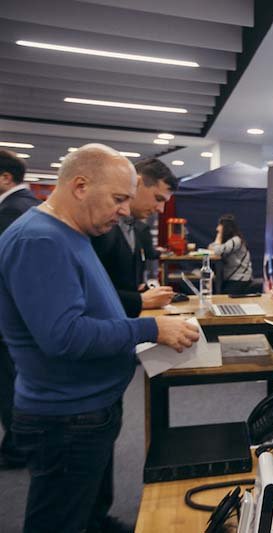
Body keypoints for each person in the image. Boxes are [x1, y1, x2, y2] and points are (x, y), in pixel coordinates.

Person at [0, 144, 200, 533]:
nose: (125, 210)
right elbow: (65, 336)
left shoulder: (71, 232)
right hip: (66, 415)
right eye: (118, 199)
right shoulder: (40, 240)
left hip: (83, 408)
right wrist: (151, 328)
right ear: (80, 186)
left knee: (85, 512)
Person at [92, 158, 177, 318]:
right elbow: (90, 292)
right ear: (137, 184)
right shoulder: (101, 227)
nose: (161, 209)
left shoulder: (135, 228)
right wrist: (140, 300)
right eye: (158, 199)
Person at [0, 150, 39, 470]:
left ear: (5, 177)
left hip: (13, 318)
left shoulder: (12, 211)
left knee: (10, 381)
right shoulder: (30, 207)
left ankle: (18, 447)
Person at [209, 214, 253, 294]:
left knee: (223, 297)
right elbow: (211, 247)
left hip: (240, 278)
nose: (217, 229)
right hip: (230, 278)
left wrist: (218, 237)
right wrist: (217, 243)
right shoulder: (229, 241)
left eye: (219, 226)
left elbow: (218, 251)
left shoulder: (236, 240)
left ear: (226, 228)